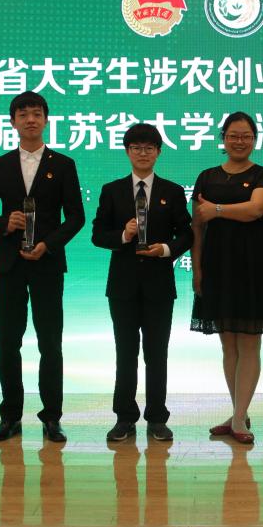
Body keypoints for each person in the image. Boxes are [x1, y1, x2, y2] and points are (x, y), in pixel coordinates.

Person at [0, 91, 85, 443]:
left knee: (50, 343)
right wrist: (4, 223)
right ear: (13, 122)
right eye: (23, 114)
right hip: (9, 265)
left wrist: (48, 244)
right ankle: (10, 417)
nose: (31, 120)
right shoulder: (1, 165)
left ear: (46, 120)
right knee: (8, 342)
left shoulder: (63, 164)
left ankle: (52, 418)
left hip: (47, 263)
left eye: (37, 113)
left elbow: (76, 217)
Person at [91, 123, 193, 442]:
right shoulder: (112, 190)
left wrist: (166, 250)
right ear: (127, 152)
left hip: (159, 285)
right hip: (122, 286)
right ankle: (124, 418)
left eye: (149, 148)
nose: (143, 153)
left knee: (156, 354)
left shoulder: (172, 192)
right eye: (136, 148)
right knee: (125, 354)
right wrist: (123, 235)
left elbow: (187, 234)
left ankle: (157, 418)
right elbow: (98, 235)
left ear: (159, 152)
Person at [190, 112, 263, 444]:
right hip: (216, 265)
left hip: (252, 264)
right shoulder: (207, 176)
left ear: (254, 139)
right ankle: (238, 412)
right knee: (227, 343)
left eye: (246, 136)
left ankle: (240, 419)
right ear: (223, 138)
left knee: (249, 341)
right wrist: (197, 269)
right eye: (233, 135)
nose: (239, 141)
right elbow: (197, 226)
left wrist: (216, 209)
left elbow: (255, 210)